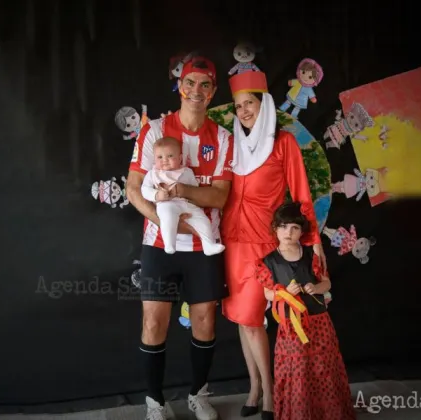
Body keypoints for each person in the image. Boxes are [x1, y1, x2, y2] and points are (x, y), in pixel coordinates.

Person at [126, 56, 233, 420]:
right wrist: (166, 221)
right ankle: (155, 402)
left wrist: (180, 192)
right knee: (153, 323)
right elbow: (133, 189)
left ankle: (198, 394)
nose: (196, 91)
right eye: (190, 83)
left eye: (205, 84)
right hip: (160, 243)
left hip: (205, 245)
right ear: (180, 86)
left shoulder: (222, 137)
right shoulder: (154, 130)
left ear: (214, 91)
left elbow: (219, 196)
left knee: (205, 321)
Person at [220, 70, 328, 419]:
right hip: (232, 242)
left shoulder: (284, 143)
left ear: (263, 103)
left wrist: (313, 240)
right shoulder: (232, 145)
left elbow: (301, 194)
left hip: (263, 245)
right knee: (242, 318)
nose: (243, 111)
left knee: (255, 317)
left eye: (249, 103)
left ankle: (270, 394)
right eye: (238, 106)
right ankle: (255, 386)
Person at [256, 202, 355, 420]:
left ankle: (328, 413)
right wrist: (284, 292)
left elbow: (327, 283)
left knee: (323, 367)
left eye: (294, 228)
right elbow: (267, 294)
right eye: (283, 227)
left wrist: (316, 287)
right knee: (298, 369)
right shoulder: (270, 261)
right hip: (293, 325)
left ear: (302, 231)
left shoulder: (311, 255)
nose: (288, 233)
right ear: (275, 228)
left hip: (319, 321)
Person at [141, 136, 226, 256]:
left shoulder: (187, 172)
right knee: (167, 217)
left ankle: (208, 245)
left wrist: (192, 200)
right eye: (160, 157)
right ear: (154, 159)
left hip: (186, 204)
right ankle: (169, 243)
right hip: (166, 204)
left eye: (170, 156)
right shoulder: (153, 174)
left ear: (180, 158)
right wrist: (156, 195)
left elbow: (194, 188)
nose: (165, 160)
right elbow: (144, 189)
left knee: (203, 220)